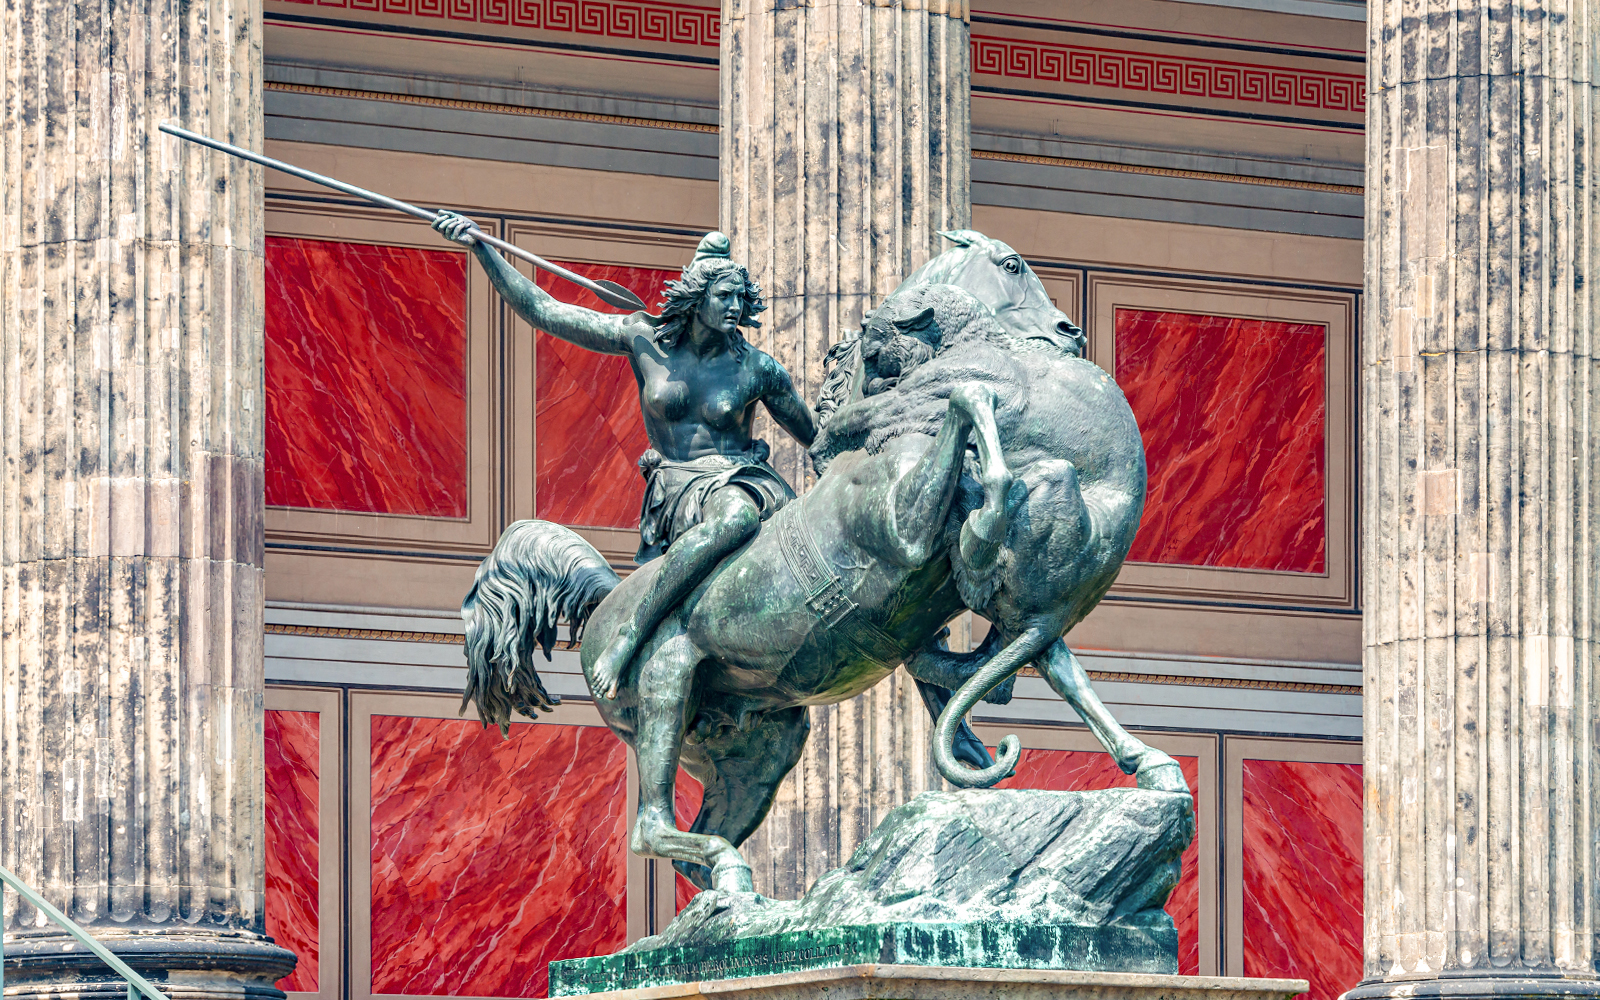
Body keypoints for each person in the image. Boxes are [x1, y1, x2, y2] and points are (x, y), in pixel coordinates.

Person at [433, 213, 817, 698]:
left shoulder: (758, 369)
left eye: (741, 297)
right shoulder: (643, 340)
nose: (735, 307)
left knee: (737, 517)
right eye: (725, 296)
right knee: (726, 518)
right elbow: (544, 310)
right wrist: (482, 250)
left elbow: (814, 437)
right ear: (697, 297)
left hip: (739, 478)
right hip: (678, 490)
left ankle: (630, 634)